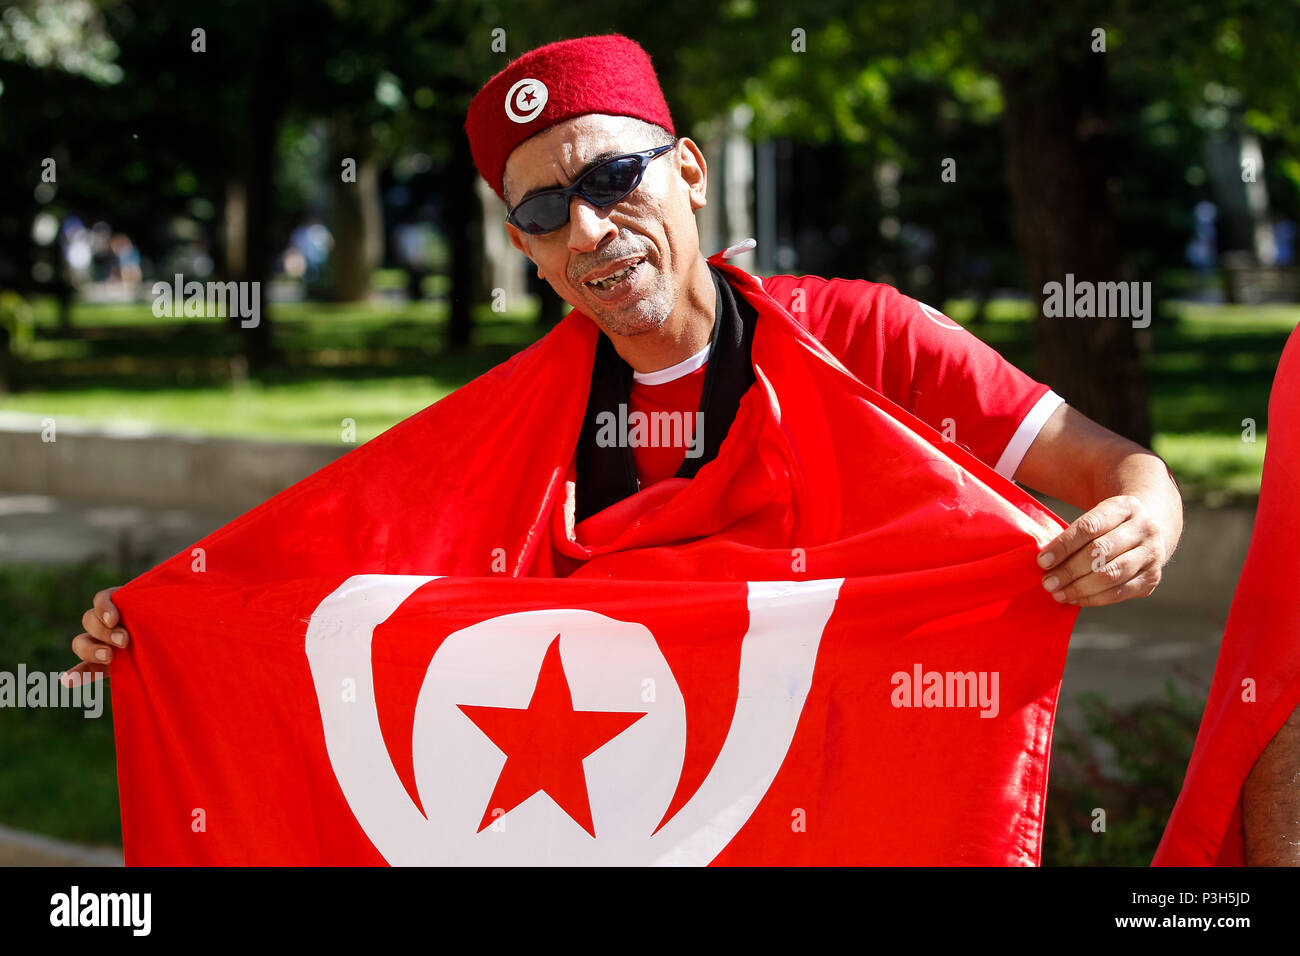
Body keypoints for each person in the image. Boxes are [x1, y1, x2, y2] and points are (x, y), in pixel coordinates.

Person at [65, 34, 1206, 846]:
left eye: (615, 177)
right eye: (545, 214)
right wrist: (159, 623)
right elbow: (329, 576)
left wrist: (1141, 523)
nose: (593, 230)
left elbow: (1117, 469)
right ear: (524, 246)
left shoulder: (862, 337)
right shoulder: (515, 419)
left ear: (691, 172)